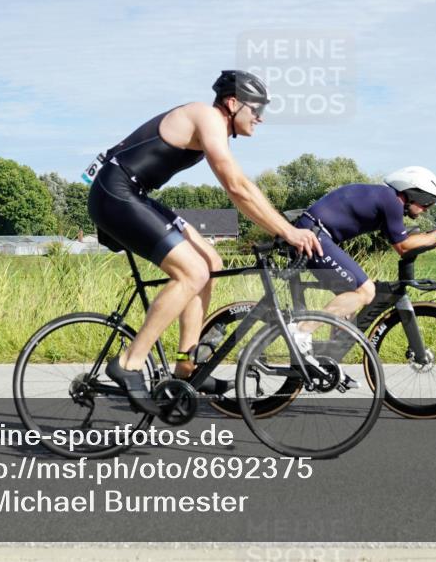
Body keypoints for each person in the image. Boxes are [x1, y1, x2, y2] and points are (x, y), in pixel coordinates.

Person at [87, 70, 322, 414]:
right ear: (232, 103)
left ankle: (186, 366)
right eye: (255, 108)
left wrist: (281, 228)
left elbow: (242, 187)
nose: (261, 117)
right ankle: (129, 362)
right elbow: (236, 186)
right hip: (115, 193)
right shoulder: (206, 116)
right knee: (191, 272)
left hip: (133, 193)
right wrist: (286, 231)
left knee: (210, 261)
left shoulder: (215, 126)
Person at [292, 166, 436, 334]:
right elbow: (403, 246)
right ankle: (302, 330)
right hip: (314, 237)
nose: (427, 209)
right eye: (427, 202)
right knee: (366, 291)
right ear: (413, 193)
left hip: (315, 233)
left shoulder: (384, 198)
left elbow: (404, 237)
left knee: (351, 297)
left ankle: (326, 357)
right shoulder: (392, 202)